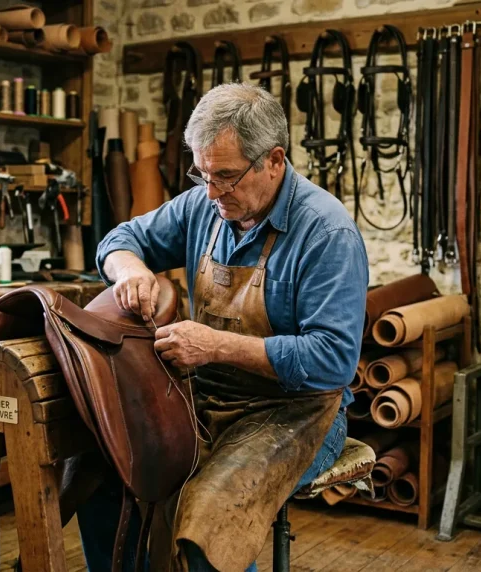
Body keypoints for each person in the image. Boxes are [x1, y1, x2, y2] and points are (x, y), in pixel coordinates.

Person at [81, 82, 369, 571]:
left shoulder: (327, 232)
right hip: (206, 396)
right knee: (106, 475)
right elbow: (120, 239)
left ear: (273, 161)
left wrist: (217, 346)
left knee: (208, 520)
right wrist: (129, 269)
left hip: (295, 411)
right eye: (203, 173)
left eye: (227, 177)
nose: (212, 192)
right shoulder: (204, 205)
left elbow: (333, 360)